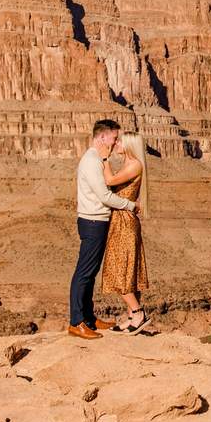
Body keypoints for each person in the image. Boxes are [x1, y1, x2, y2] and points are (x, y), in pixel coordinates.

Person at [68, 119, 139, 339]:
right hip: (93, 222)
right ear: (102, 137)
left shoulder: (97, 159)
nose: (116, 141)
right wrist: (130, 205)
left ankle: (89, 318)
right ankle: (76, 322)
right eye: (114, 138)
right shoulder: (91, 161)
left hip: (97, 221)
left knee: (90, 273)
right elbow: (104, 196)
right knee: (84, 273)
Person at [100, 132, 152, 332]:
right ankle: (131, 317)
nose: (117, 143)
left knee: (119, 272)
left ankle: (139, 313)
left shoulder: (135, 164)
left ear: (130, 144)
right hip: (120, 220)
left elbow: (110, 182)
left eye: (120, 141)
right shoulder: (128, 163)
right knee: (128, 272)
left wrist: (103, 158)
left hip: (124, 223)